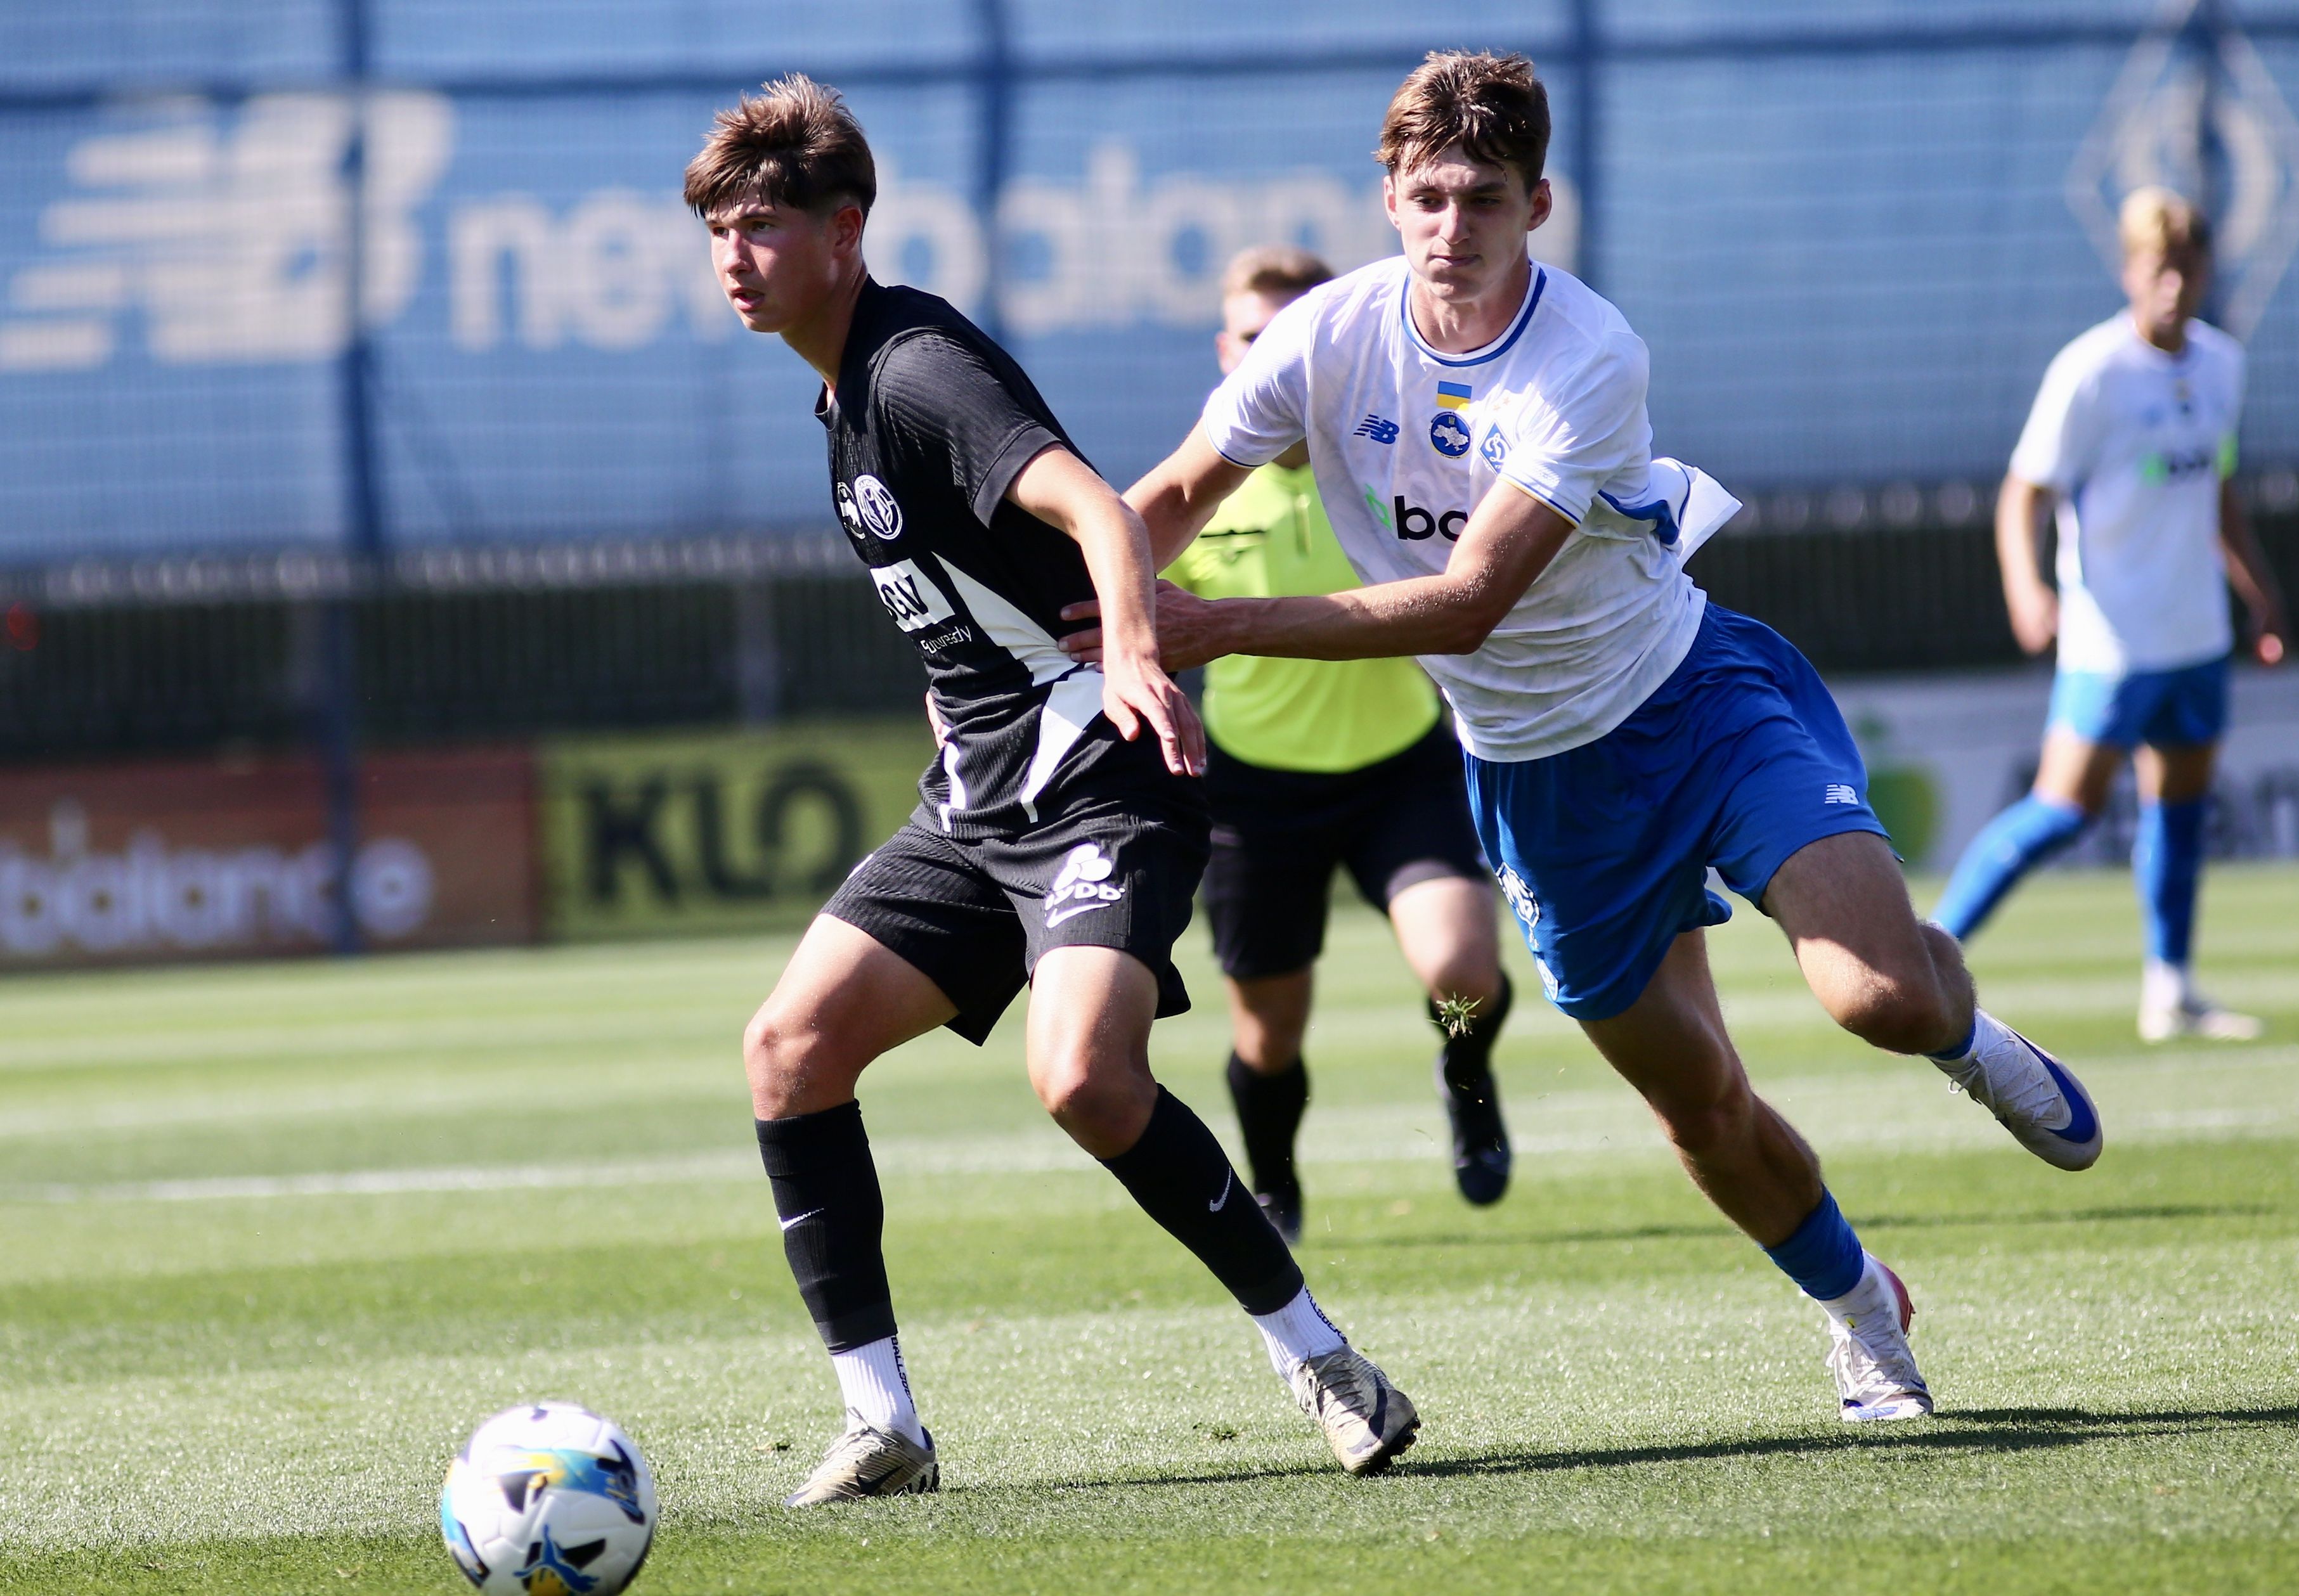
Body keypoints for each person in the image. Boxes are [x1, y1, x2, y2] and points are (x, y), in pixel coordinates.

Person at [1072, 51, 2106, 1424]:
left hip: (1693, 703)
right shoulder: (1320, 336)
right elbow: (1170, 497)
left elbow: (1472, 599)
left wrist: (1215, 627)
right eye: (1429, 196)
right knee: (1700, 1108)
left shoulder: (1588, 352)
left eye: (1484, 199)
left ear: (1537, 203)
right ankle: (1863, 1310)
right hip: (1535, 780)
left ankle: (1967, 1034)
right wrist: (1041, 631)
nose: (1454, 228)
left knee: (1879, 997)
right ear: (1388, 196)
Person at [690, 75, 1418, 1504]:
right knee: (788, 1050)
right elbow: (960, 611)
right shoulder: (842, 402)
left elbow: (1093, 505)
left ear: (846, 231)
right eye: (718, 227)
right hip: (976, 807)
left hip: (1103, 785)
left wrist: (1138, 656)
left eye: (763, 225)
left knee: (1082, 1075)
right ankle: (883, 1422)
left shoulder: (911, 371)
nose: (733, 254)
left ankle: (1322, 1359)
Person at [1161, 243, 1513, 1245]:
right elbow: (1114, 602)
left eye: (1291, 334)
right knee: (1267, 1037)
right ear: (1224, 352)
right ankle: (1273, 1178)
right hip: (1254, 796)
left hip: (1400, 771)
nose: (1271, 352)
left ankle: (1464, 1065)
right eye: (1251, 334)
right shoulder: (1195, 493)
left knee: (1461, 974)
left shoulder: (1389, 463)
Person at [1930, 188, 2288, 1044]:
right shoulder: (2090, 372)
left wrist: (2257, 591)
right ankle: (1926, 949)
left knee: (2179, 811)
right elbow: (2022, 493)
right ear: (2131, 273)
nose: (2172, 284)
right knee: (2062, 808)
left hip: (2194, 636)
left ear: (2204, 273)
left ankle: (2169, 989)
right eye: (2156, 267)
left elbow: (2219, 487)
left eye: (2186, 267)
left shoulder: (2219, 365)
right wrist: (2027, 589)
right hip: (2111, 642)